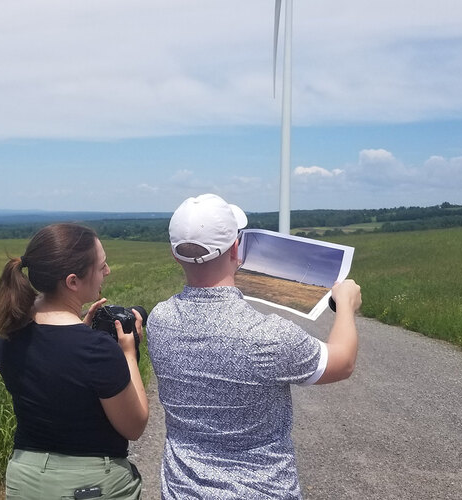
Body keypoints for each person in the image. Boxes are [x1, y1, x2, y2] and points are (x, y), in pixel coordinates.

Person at [148, 194, 362, 499]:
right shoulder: (268, 335)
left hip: (182, 489)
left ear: (175, 255)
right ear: (237, 249)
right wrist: (346, 305)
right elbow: (343, 362)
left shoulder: (159, 319)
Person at [0, 223, 148, 499]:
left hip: (24, 479)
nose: (107, 271)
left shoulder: (7, 333)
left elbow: (57, 371)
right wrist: (128, 353)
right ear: (73, 281)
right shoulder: (96, 350)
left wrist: (80, 332)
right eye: (102, 266)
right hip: (89, 486)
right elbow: (134, 426)